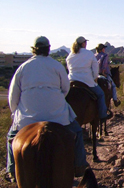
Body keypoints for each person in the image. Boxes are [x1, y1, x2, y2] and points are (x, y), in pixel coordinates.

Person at [6, 36, 88, 182]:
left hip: (27, 117)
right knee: (76, 132)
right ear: (48, 48)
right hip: (56, 116)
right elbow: (65, 88)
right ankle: (79, 165)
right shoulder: (56, 65)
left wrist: (16, 113)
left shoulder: (23, 68)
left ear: (34, 49)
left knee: (11, 137)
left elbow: (13, 96)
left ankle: (12, 170)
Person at [66, 36, 112, 123]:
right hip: (86, 81)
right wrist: (94, 79)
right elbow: (95, 69)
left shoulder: (70, 55)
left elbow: (69, 69)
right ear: (83, 43)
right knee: (101, 94)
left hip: (71, 81)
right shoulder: (89, 53)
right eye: (85, 42)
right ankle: (102, 115)